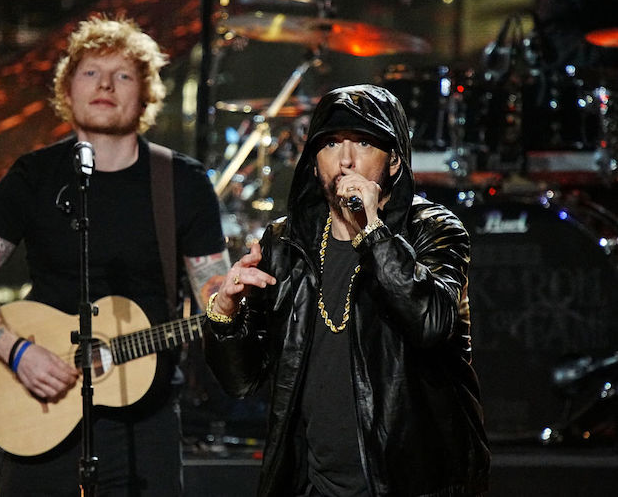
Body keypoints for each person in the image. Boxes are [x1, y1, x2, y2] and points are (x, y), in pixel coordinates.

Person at [0, 16, 228, 496]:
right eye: (91, 72)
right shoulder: (34, 175)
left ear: (144, 94)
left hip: (147, 421)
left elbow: (212, 293)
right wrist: (17, 353)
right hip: (41, 410)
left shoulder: (181, 181)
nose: (105, 85)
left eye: (123, 75)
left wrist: (232, 298)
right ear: (67, 90)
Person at [203, 84, 490, 496]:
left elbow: (430, 323)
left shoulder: (434, 231)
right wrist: (226, 312)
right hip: (314, 484)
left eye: (364, 143)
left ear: (393, 161)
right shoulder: (286, 242)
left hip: (412, 482)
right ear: (313, 158)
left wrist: (374, 231)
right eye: (332, 144)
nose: (347, 160)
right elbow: (241, 381)